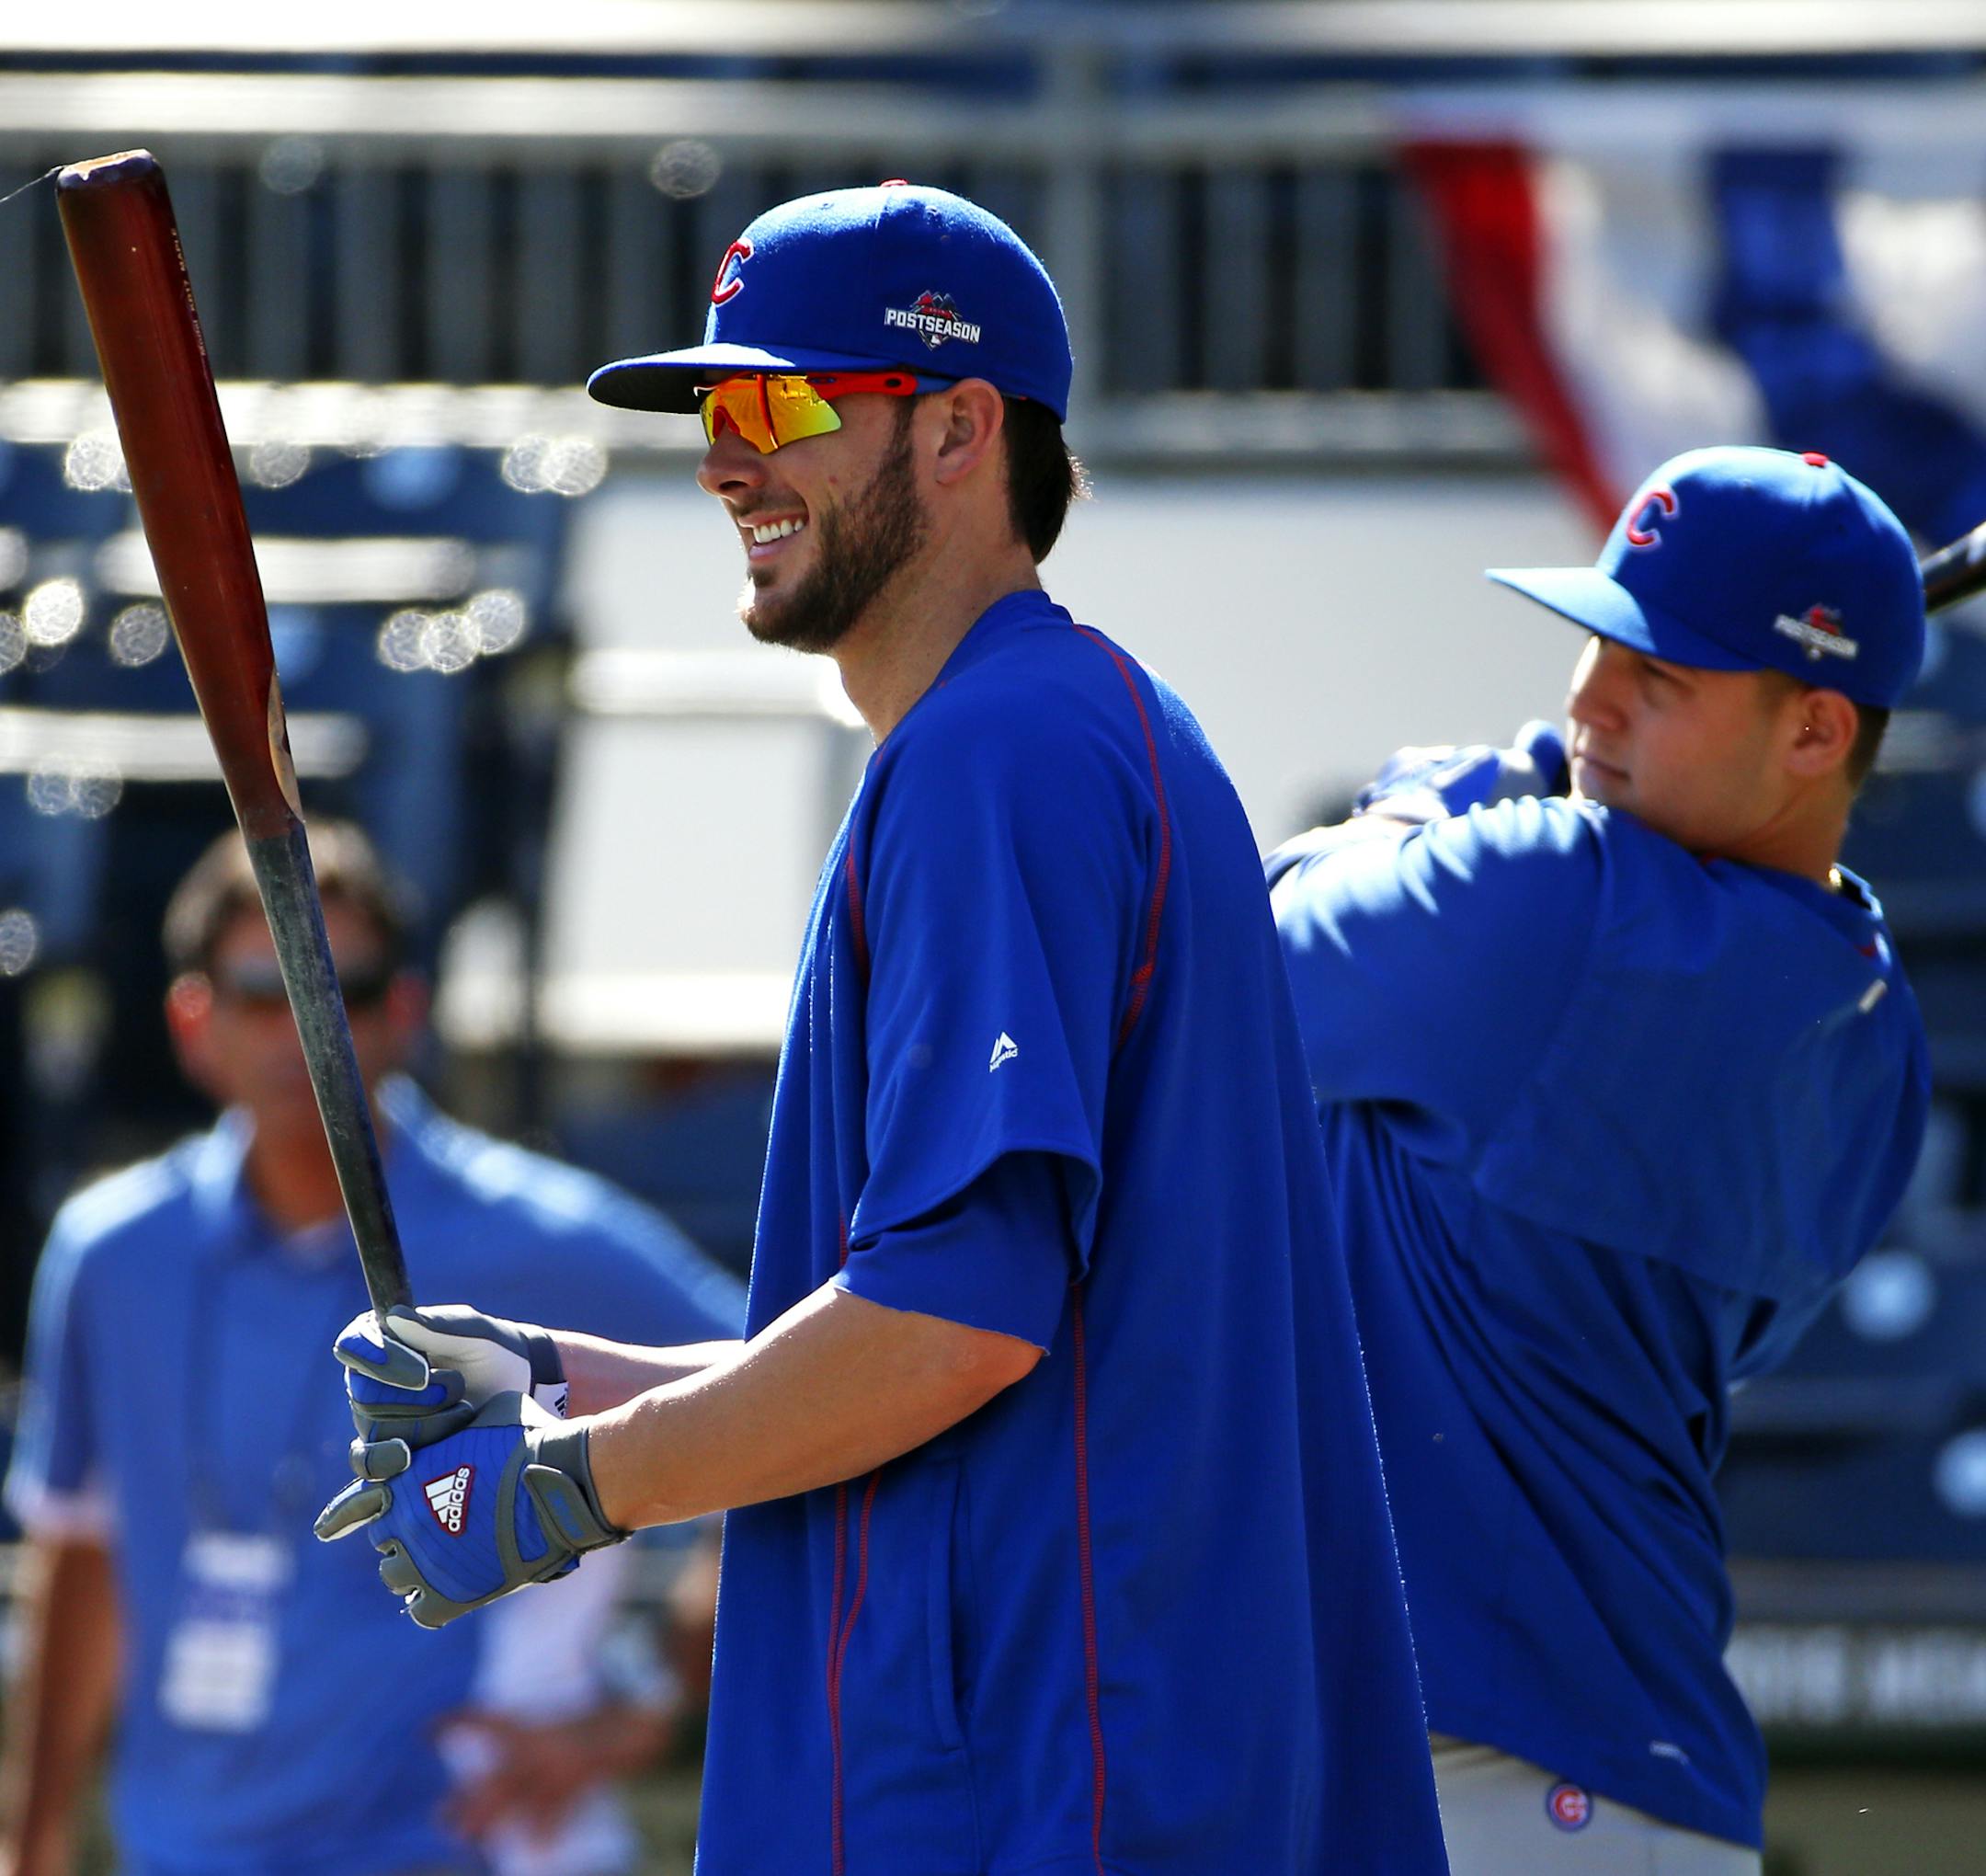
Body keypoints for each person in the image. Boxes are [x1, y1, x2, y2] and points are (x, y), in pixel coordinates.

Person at [315, 181, 1451, 1872]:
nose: (723, 460)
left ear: (959, 428)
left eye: (779, 403)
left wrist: (575, 1488)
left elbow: (947, 1333)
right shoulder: (1065, 725)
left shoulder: (1003, 754)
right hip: (1087, 1767)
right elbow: (988, 1350)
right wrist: (561, 1388)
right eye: (714, 410)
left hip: (1038, 1798)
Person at [1266, 445, 1933, 1874]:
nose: (1590, 701)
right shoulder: (1880, 1034)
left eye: (1664, 677)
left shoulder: (1552, 901)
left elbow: (1219, 964)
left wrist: (1409, 816)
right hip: (1596, 1783)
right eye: (1600, 644)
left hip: (1485, 1780)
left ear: (1818, 731)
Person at [0, 822, 745, 1876]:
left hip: (463, 1853)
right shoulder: (112, 1256)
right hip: (186, 1854)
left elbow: (797, 1404)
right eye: (270, 991)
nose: (310, 1027)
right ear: (193, 1022)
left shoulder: (546, 1237)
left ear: (408, 1010)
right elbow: (78, 1547)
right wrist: (30, 1844)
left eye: (347, 987)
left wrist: (640, 1706)